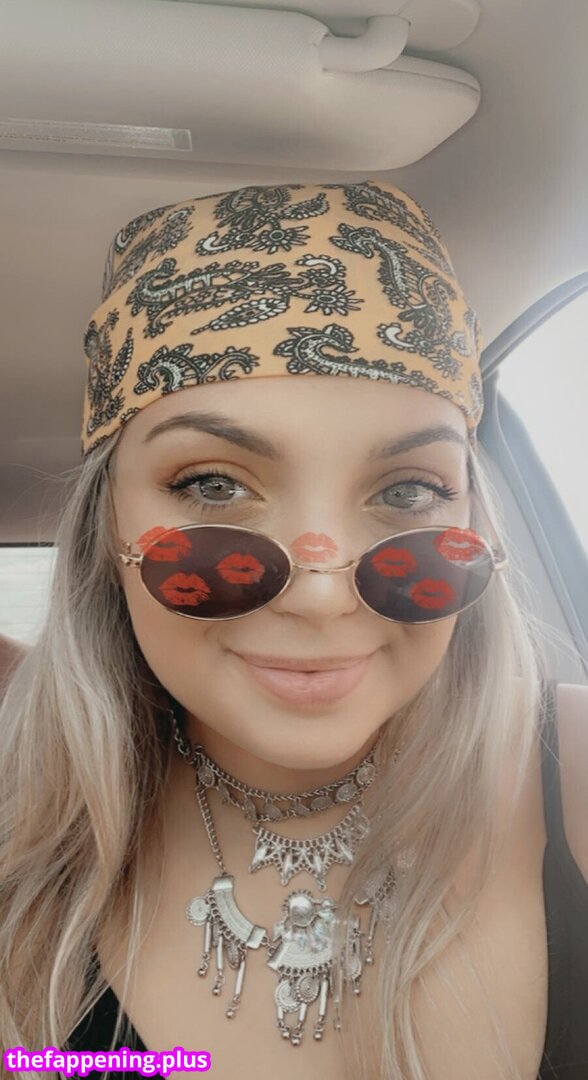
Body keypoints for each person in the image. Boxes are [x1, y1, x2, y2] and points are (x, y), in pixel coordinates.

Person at [1, 179, 586, 1080]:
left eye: (408, 490)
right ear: (106, 529)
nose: (320, 598)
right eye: (212, 485)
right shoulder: (23, 848)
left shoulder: (573, 762)